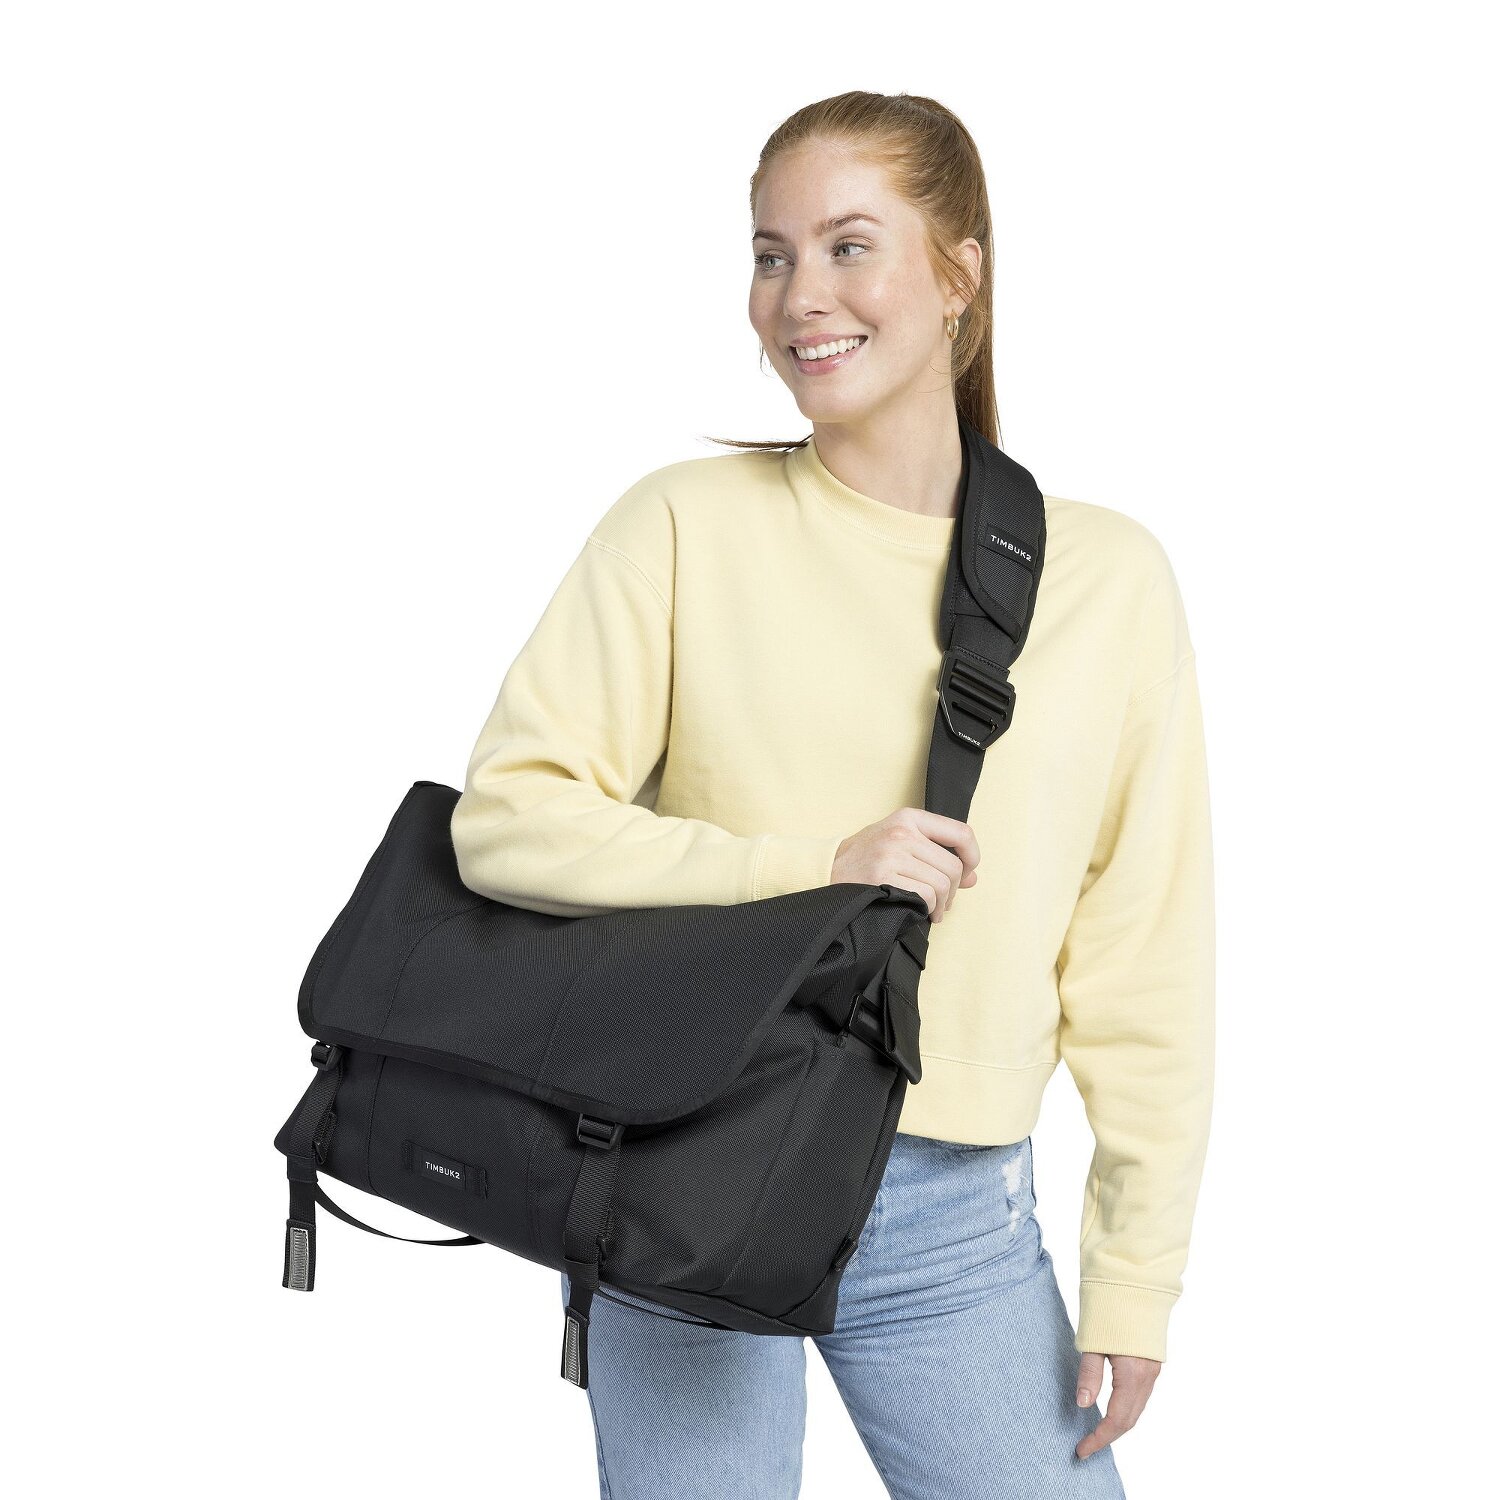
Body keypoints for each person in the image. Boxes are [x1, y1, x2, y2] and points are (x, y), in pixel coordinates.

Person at [450, 91, 1214, 1500]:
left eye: (850, 246)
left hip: (955, 1219)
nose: (801, 295)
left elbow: (1143, 956)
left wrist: (1136, 1274)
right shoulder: (679, 527)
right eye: (772, 254)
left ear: (959, 272)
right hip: (682, 1161)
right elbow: (507, 819)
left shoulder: (1108, 580)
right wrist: (812, 870)